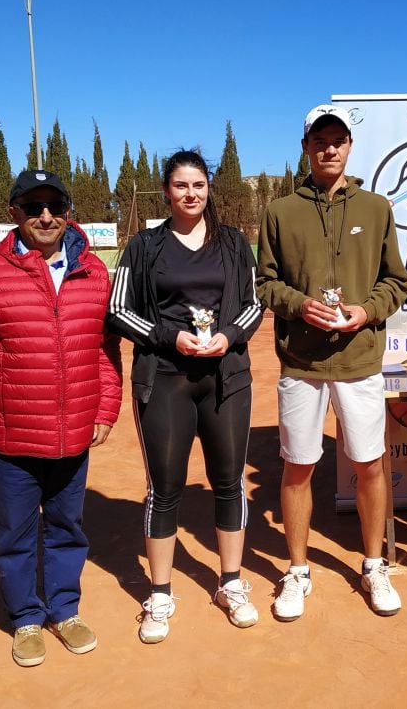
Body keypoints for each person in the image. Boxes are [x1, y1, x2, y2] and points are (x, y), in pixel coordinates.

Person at [0, 168, 121, 667]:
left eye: (55, 206)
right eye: (33, 206)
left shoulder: (94, 271)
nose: (46, 216)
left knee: (68, 527)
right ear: (14, 213)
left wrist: (105, 407)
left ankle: (65, 610)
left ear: (69, 212)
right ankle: (25, 618)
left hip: (74, 432)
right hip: (12, 436)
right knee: (16, 534)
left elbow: (107, 350)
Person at [257, 104, 407, 620]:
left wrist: (365, 312)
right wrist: (302, 305)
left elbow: (397, 281)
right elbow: (265, 284)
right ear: (306, 147)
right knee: (298, 466)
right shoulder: (279, 212)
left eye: (338, 140)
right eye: (319, 140)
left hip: (361, 360)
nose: (329, 148)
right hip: (301, 362)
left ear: (349, 146)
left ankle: (372, 565)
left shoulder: (376, 207)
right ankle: (297, 570)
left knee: (369, 464)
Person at [107, 149, 263, 642]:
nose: (191, 193)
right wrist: (166, 337)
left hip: (225, 378)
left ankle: (231, 582)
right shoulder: (144, 246)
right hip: (166, 377)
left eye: (199, 184)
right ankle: (159, 592)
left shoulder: (235, 243)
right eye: (181, 186)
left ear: (208, 188)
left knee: (229, 481)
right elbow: (117, 311)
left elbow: (255, 305)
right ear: (166, 191)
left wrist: (230, 335)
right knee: (165, 488)